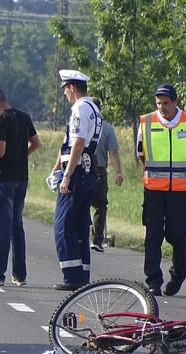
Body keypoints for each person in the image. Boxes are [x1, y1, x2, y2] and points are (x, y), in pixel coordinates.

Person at [137, 84, 186, 297]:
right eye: (158, 103)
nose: (161, 107)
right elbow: (141, 153)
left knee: (178, 236)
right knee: (153, 234)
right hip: (153, 189)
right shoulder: (146, 122)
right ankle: (153, 280)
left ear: (175, 102)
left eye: (165, 103)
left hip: (180, 191)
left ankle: (179, 273)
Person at [0, 86, 41, 286]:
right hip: (21, 178)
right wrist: (20, 156)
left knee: (1, 228)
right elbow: (35, 143)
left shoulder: (0, 120)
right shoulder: (23, 116)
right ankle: (19, 274)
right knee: (16, 226)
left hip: (3, 179)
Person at [51, 69, 102, 291]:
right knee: (81, 225)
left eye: (65, 89)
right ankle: (82, 273)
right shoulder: (93, 108)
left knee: (63, 225)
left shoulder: (80, 108)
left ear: (72, 87)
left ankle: (72, 276)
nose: (64, 93)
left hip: (79, 172)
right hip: (88, 172)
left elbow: (78, 143)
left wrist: (67, 175)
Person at [89, 97, 123, 253]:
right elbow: (113, 152)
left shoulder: (83, 124)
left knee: (81, 204)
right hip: (100, 171)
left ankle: (80, 236)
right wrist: (118, 173)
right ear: (101, 109)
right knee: (100, 206)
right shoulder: (107, 129)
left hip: (82, 168)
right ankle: (96, 240)